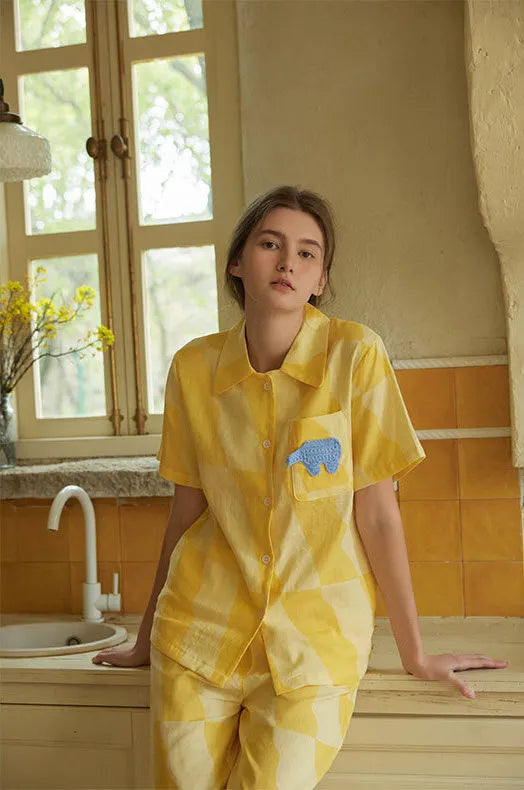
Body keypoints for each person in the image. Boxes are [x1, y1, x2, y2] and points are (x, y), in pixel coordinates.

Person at [92, 185, 509, 789]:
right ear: (238, 262)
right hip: (198, 634)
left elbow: (380, 516)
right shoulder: (192, 368)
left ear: (319, 279)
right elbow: (186, 512)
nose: (288, 262)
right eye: (270, 244)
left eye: (307, 253)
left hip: (314, 647)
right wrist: (144, 636)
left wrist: (415, 652)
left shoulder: (356, 356)